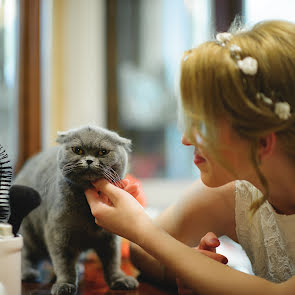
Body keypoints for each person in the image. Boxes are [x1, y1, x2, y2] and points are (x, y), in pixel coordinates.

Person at [85, 20, 295, 294]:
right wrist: (192, 267)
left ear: (263, 142)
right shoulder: (238, 192)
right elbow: (141, 253)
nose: (186, 139)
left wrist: (142, 229)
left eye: (204, 124)